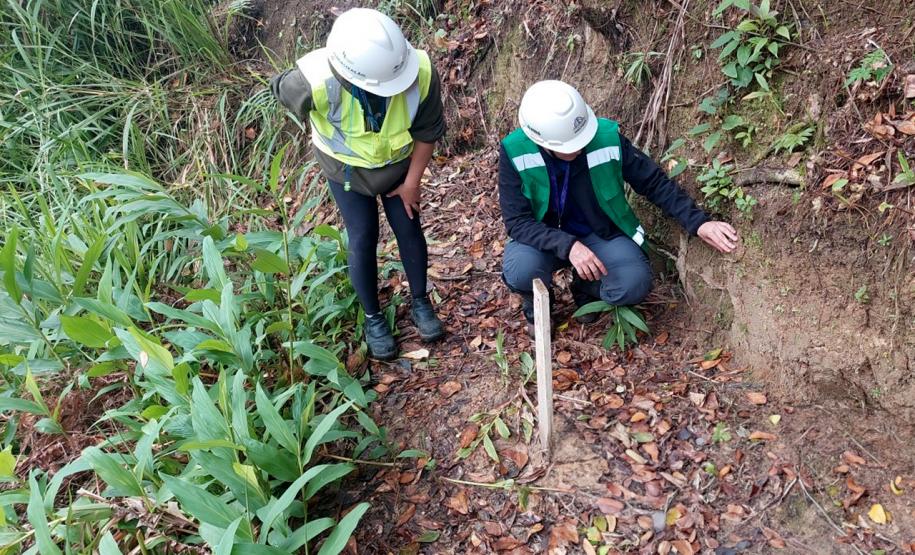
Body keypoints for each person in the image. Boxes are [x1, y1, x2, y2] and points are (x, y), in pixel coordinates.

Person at [270, 8, 446, 360]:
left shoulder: (419, 71)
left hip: (398, 165)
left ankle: (420, 302)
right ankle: (373, 318)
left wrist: (413, 182)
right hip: (345, 170)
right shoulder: (314, 80)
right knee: (363, 235)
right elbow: (279, 88)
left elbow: (428, 131)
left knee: (409, 227)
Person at [498, 80, 738, 331]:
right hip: (543, 240)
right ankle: (536, 302)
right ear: (543, 142)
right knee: (521, 270)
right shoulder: (515, 151)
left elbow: (652, 181)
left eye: (582, 139)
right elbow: (517, 222)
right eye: (570, 146)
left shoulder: (605, 137)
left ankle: (585, 287)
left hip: (599, 232)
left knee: (633, 283)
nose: (579, 147)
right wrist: (568, 246)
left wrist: (698, 222)